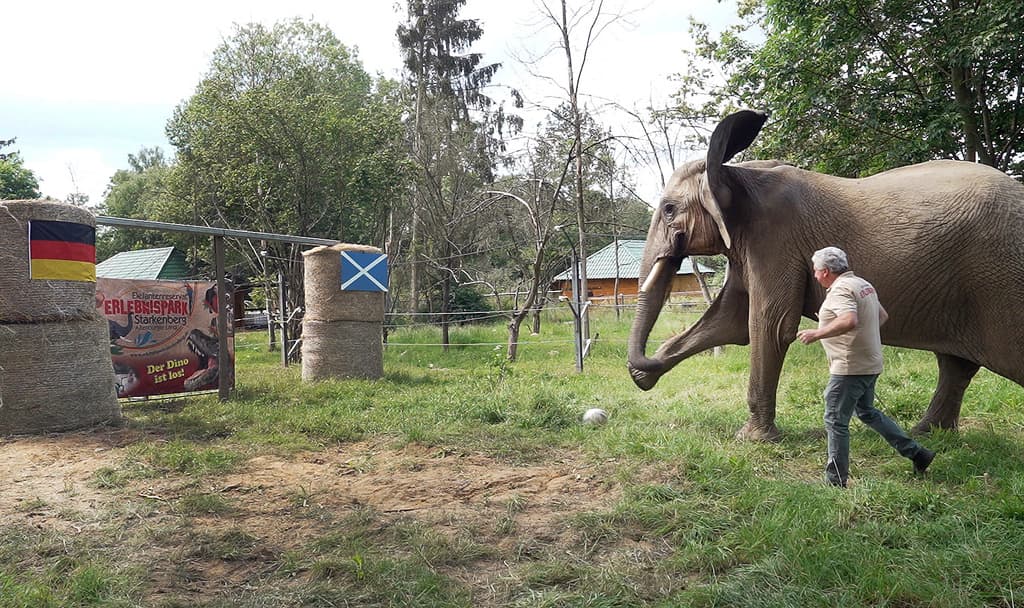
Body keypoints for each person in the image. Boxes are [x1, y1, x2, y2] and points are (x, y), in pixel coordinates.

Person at [796, 246, 934, 487]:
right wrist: (847, 331)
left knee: (835, 420)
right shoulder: (862, 284)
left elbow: (849, 320)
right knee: (867, 412)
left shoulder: (840, 290)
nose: (815, 275)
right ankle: (918, 454)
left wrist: (818, 333)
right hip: (870, 362)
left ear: (826, 271)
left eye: (816, 270)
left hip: (850, 368)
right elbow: (881, 316)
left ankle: (835, 480)